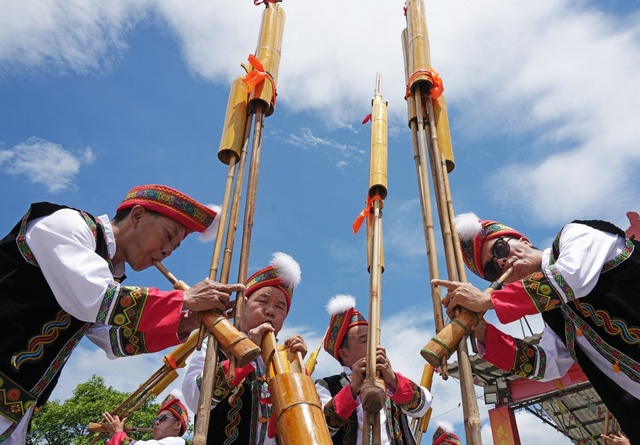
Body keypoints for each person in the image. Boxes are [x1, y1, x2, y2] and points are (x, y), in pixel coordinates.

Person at [0, 184, 244, 444]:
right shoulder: (68, 225)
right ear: (137, 215)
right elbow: (97, 298)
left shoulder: (107, 272)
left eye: (175, 247)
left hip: (17, 411)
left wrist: (188, 322)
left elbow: (114, 339)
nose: (168, 251)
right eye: (168, 235)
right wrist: (185, 300)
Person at [432, 213, 640, 444]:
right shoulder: (555, 316)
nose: (501, 262)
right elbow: (546, 364)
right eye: (492, 271)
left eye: (500, 249)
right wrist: (481, 330)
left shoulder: (575, 235)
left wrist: (487, 301)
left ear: (522, 240)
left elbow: (570, 278)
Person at [181, 252, 308, 445]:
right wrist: (245, 353)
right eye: (263, 301)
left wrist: (298, 372)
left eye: (280, 307)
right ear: (242, 306)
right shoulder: (215, 344)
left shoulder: (284, 360)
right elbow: (194, 398)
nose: (270, 311)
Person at [315, 294, 432, 445]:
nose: (375, 346)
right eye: (365, 341)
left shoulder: (390, 381)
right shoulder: (326, 387)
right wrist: (353, 389)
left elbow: (423, 406)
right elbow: (321, 425)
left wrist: (394, 381)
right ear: (344, 353)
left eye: (374, 340)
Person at [102, 393, 190, 445]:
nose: (157, 422)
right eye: (156, 419)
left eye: (163, 418)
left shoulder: (177, 442)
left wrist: (119, 433)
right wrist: (116, 435)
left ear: (177, 424)